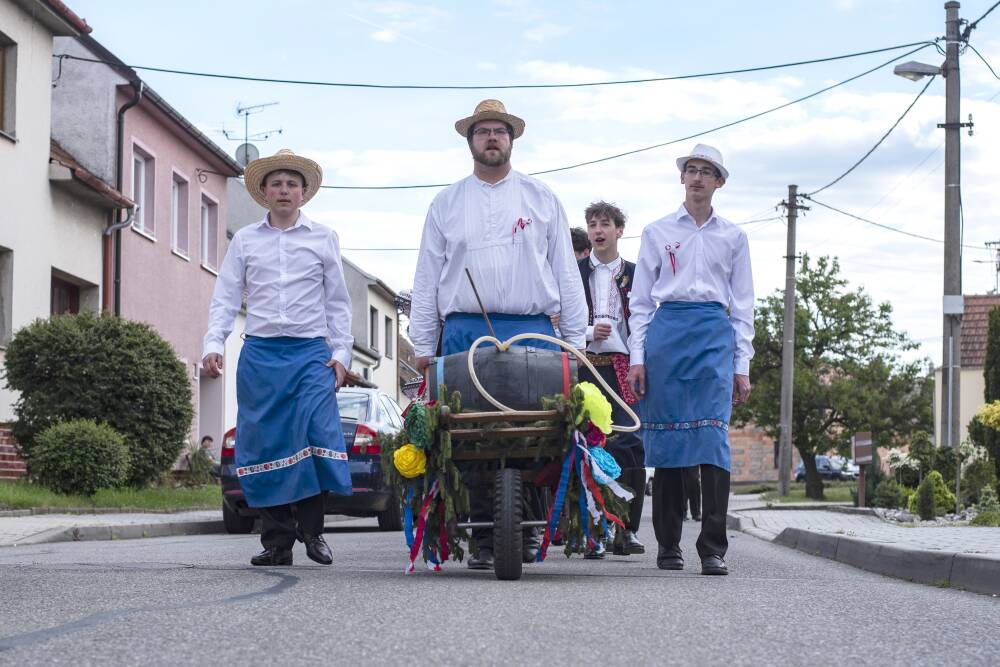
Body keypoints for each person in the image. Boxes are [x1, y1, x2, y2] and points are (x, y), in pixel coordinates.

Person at [409, 99, 587, 570]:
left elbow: (565, 272)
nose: (492, 137)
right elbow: (426, 278)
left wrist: (576, 344)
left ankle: (526, 531)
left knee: (537, 435)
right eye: (483, 131)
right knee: (470, 436)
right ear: (470, 141)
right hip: (464, 333)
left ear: (512, 140)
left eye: (500, 131)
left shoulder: (541, 198)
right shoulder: (445, 203)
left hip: (533, 332)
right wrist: (424, 346)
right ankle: (485, 537)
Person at [202, 149, 353, 567]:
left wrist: (341, 353)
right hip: (261, 353)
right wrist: (213, 343)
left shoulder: (323, 237)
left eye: (292, 184)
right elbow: (226, 296)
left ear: (303, 193)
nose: (284, 190)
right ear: (264, 193)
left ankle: (313, 531)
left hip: (310, 354)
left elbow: (338, 301)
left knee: (315, 434)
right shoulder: (246, 241)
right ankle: (277, 543)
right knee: (266, 443)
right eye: (276, 184)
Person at [626, 144, 754, 576]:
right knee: (669, 441)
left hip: (714, 337)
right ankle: (668, 545)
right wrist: (638, 357)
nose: (697, 177)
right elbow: (640, 302)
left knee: (713, 441)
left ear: (720, 181)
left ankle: (713, 548)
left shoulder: (734, 237)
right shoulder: (656, 232)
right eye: (692, 170)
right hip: (667, 336)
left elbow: (743, 306)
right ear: (682, 178)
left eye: (706, 171)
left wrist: (742, 365)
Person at [576, 201, 646, 559]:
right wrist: (589, 331)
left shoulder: (636, 274)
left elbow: (644, 322)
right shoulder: (574, 273)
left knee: (629, 444)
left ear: (620, 230)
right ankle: (593, 531)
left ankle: (627, 529)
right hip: (584, 366)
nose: (598, 230)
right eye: (592, 224)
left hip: (622, 368)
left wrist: (641, 362)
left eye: (605, 224)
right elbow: (558, 319)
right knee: (586, 445)